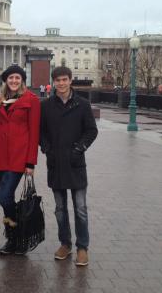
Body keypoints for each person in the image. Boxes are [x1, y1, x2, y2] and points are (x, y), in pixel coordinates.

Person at [40, 66, 98, 267]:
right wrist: (47, 148)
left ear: (70, 81)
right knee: (60, 209)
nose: (61, 83)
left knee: (80, 208)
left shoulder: (82, 104)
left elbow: (91, 131)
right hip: (55, 163)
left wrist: (79, 149)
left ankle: (82, 247)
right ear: (53, 82)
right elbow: (41, 132)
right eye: (58, 80)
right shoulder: (46, 105)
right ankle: (65, 243)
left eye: (65, 79)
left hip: (75, 163)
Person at [0, 65, 40, 255]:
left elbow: (34, 132)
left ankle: (17, 233)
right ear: (6, 80)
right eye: (10, 78)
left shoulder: (31, 100)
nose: (13, 81)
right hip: (1, 156)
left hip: (19, 157)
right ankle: (13, 240)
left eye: (17, 78)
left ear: (22, 80)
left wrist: (30, 162)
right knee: (7, 198)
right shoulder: (0, 101)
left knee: (3, 196)